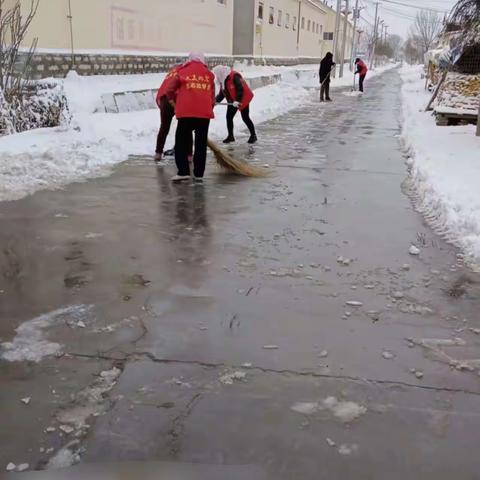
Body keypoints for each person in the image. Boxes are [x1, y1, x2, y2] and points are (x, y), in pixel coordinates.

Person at [166, 52, 215, 183]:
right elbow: (212, 97)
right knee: (201, 144)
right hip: (204, 115)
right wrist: (207, 108)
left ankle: (183, 172)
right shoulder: (209, 74)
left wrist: (172, 100)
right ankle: (199, 174)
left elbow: (169, 89)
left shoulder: (182, 71)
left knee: (181, 141)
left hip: (186, 112)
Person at [212, 65, 257, 144]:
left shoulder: (234, 76)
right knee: (229, 117)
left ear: (221, 73)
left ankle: (253, 135)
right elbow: (222, 94)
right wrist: (214, 101)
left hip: (243, 98)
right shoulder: (223, 79)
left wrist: (238, 100)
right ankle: (231, 136)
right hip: (232, 101)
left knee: (245, 117)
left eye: (217, 74)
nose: (216, 76)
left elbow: (240, 89)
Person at [154, 64, 182, 162]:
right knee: (185, 126)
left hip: (164, 99)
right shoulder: (185, 72)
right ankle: (187, 154)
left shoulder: (171, 73)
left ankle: (158, 153)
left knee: (164, 127)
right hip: (176, 98)